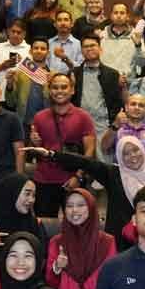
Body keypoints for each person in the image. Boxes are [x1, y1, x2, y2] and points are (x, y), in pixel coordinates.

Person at [26, 136, 145, 250]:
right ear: (120, 157)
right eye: (125, 153)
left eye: (135, 150)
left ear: (142, 150)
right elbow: (85, 162)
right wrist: (50, 154)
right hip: (120, 245)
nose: (132, 156)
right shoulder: (114, 175)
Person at [28, 72, 96, 217]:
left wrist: (78, 177)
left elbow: (90, 151)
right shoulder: (39, 117)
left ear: (72, 90)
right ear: (49, 90)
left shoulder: (83, 117)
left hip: (72, 180)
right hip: (44, 180)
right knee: (43, 225)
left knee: (78, 224)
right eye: (55, 87)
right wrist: (34, 143)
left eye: (64, 87)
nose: (59, 91)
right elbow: (34, 151)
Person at [45, 188, 116, 289]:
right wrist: (57, 267)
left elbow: (112, 280)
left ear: (91, 208)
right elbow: (50, 284)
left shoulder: (107, 242)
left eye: (81, 205)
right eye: (69, 206)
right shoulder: (56, 242)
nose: (74, 210)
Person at [100, 94, 145, 166]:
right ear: (126, 107)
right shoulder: (117, 129)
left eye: (141, 105)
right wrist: (116, 125)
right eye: (133, 104)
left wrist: (143, 173)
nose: (137, 108)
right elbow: (104, 147)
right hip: (120, 174)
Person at [4, 38, 50, 128]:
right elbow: (10, 103)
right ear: (30, 51)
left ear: (48, 52)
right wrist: (9, 85)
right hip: (23, 123)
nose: (39, 51)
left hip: (46, 124)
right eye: (36, 48)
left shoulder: (52, 76)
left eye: (43, 49)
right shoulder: (19, 74)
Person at [100, 2, 145, 81]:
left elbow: (142, 63)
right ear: (111, 16)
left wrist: (138, 46)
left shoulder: (135, 35)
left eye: (122, 13)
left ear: (127, 16)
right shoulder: (102, 35)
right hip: (106, 81)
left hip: (128, 82)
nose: (118, 16)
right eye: (115, 13)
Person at [0, 19, 31, 100]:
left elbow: (35, 73)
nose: (15, 35)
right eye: (13, 31)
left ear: (24, 34)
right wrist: (2, 66)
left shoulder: (30, 50)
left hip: (22, 98)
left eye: (19, 32)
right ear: (8, 31)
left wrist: (20, 70)